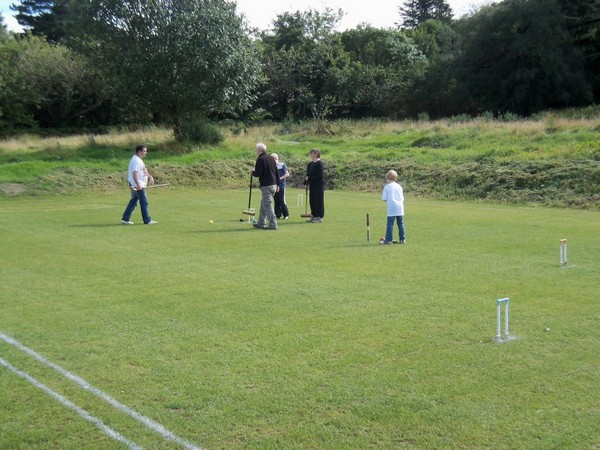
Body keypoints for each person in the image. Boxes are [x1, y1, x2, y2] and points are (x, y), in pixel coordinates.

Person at [121, 144, 157, 225]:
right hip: (138, 185)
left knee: (133, 201)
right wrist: (138, 184)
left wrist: (150, 177)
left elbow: (143, 171)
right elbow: (135, 173)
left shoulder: (139, 160)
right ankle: (147, 220)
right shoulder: (136, 160)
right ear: (139, 151)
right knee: (144, 202)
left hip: (137, 184)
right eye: (144, 151)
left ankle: (125, 219)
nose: (145, 153)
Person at [250, 143, 279, 230]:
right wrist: (278, 184)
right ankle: (261, 223)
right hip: (273, 185)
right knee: (263, 204)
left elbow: (258, 173)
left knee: (267, 205)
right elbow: (276, 172)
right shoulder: (271, 158)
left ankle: (273, 224)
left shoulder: (260, 159)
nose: (256, 151)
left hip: (266, 185)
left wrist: (252, 172)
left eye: (256, 150)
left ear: (260, 150)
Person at [381, 169, 405, 244]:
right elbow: (402, 198)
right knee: (400, 224)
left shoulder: (387, 187)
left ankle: (388, 239)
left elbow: (384, 198)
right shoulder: (399, 186)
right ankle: (402, 239)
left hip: (392, 208)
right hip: (400, 208)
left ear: (387, 178)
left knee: (390, 224)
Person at [305, 148, 325, 223]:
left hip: (318, 185)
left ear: (316, 154)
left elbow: (320, 176)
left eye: (312, 153)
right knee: (312, 200)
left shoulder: (319, 164)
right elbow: (307, 175)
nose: (311, 155)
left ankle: (319, 217)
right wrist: (306, 183)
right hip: (312, 185)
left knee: (318, 200)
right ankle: (313, 215)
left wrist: (309, 178)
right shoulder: (310, 164)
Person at [271, 153, 290, 220]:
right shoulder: (272, 167)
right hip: (274, 185)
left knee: (282, 200)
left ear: (276, 159)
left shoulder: (282, 165)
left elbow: (287, 174)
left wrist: (280, 178)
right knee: (276, 201)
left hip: (281, 185)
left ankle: (286, 214)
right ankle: (277, 214)